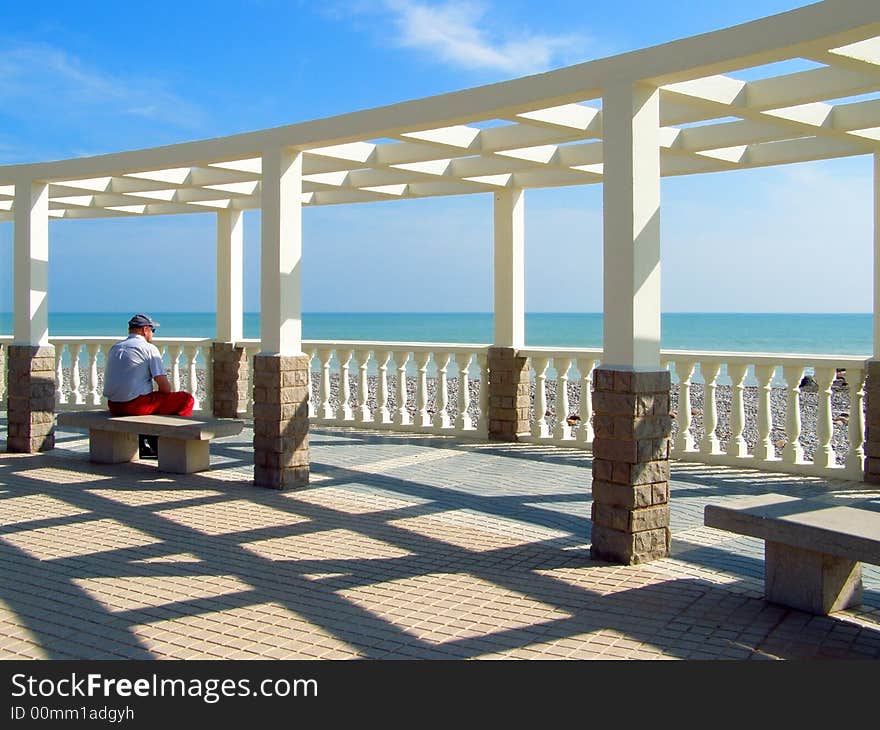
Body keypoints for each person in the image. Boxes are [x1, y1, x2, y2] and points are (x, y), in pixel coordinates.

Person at [103, 314, 195, 458]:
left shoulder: (116, 347)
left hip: (114, 405)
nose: (153, 334)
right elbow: (165, 388)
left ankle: (150, 447)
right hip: (134, 405)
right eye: (153, 330)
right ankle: (173, 447)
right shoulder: (148, 349)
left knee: (155, 401)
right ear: (145, 330)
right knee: (185, 399)